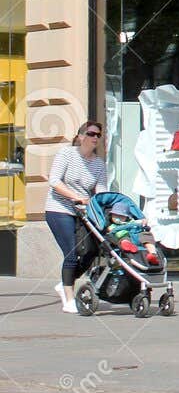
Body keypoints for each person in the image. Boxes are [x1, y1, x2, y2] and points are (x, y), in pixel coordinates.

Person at [46, 122, 107, 313]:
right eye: (91, 134)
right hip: (59, 209)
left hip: (83, 212)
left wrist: (104, 204)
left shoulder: (99, 164)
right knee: (71, 254)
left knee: (91, 252)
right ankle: (69, 299)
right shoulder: (67, 154)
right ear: (81, 137)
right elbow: (54, 180)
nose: (95, 138)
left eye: (98, 135)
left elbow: (102, 191)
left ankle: (65, 282)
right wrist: (77, 197)